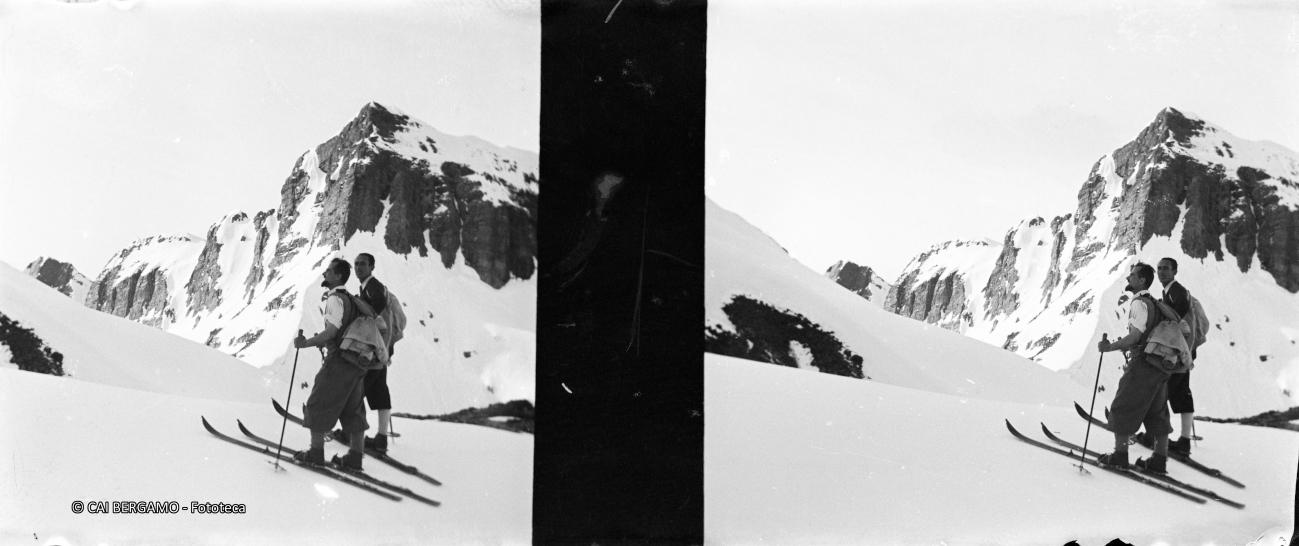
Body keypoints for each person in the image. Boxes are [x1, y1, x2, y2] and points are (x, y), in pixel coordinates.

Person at [1095, 262, 1173, 473]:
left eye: (1132, 276)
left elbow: (1136, 336)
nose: (1128, 279)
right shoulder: (1155, 304)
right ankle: (1159, 460)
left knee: (1123, 405)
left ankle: (1120, 456)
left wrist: (1110, 347)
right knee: (1157, 411)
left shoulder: (1139, 303)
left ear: (1142, 280)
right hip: (1160, 364)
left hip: (1143, 364)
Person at [293, 258, 368, 470]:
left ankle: (315, 454)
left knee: (318, 402)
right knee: (353, 409)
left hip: (339, 361)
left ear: (338, 276)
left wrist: (306, 342)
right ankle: (355, 457)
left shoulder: (335, 298)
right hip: (357, 361)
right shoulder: (352, 300)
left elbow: (333, 331)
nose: (325, 274)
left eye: (328, 271)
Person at [1135, 257, 1197, 456]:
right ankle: (1182, 440)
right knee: (1179, 393)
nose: (1161, 272)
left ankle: (1157, 436)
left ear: (1174, 271)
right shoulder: (1173, 291)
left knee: (1164, 393)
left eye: (1166, 268)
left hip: (1176, 352)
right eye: (1159, 268)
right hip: (1180, 350)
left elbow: (1175, 319)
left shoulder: (1177, 292)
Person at [351, 252, 396, 452]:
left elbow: (375, 310)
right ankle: (381, 438)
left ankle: (351, 433)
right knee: (379, 392)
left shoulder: (372, 287)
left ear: (371, 267)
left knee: (357, 390)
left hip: (374, 350)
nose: (358, 267)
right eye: (356, 264)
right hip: (382, 349)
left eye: (363, 264)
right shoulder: (371, 287)